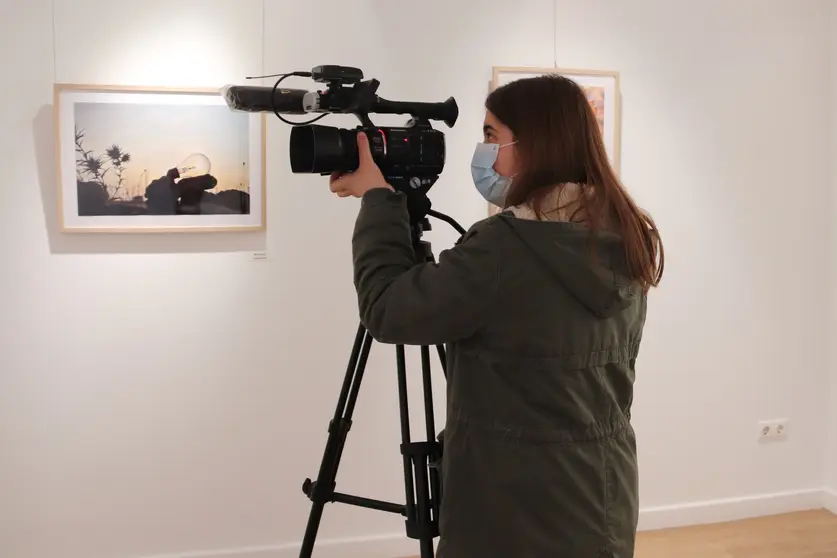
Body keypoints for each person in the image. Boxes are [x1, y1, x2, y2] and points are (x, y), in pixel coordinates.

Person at [328, 74, 664, 558]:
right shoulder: (624, 234)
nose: (483, 152)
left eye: (491, 135)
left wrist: (380, 201)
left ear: (533, 146)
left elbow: (388, 309)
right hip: (599, 497)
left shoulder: (506, 248)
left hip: (512, 507)